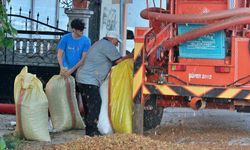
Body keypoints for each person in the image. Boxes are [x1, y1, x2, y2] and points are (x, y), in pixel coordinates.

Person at [76, 31, 133, 136]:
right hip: (89, 80)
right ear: (112, 39)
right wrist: (132, 56)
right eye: (116, 42)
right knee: (95, 104)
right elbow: (119, 61)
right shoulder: (108, 46)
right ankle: (92, 131)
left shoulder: (99, 43)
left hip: (82, 78)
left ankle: (89, 131)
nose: (117, 44)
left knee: (89, 106)